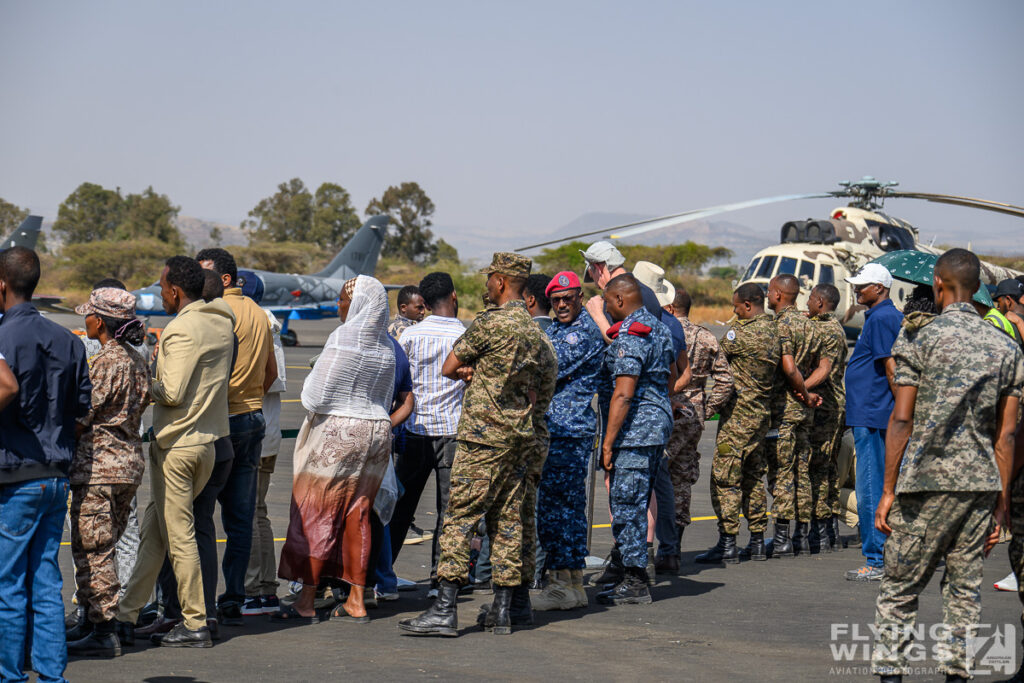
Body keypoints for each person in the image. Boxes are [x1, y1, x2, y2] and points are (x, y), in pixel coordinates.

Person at [871, 249, 1022, 681]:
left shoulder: (919, 339)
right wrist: (1002, 502)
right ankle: (956, 675)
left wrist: (887, 491)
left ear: (938, 283)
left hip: (923, 486)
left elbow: (901, 417)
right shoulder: (1006, 345)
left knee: (899, 589)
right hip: (978, 488)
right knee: (964, 592)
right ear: (979, 289)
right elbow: (1006, 434)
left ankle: (890, 676)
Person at [399, 253, 555, 636]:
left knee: (458, 518)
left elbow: (450, 367)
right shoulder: (537, 333)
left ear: (501, 282)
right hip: (520, 439)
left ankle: (445, 608)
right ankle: (506, 608)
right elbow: (547, 384)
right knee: (507, 521)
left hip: (483, 438)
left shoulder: (490, 324)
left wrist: (476, 373)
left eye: (489, 280)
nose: (486, 286)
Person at [116, 256, 235, 648]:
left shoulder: (182, 329)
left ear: (175, 291)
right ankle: (127, 614)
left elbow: (171, 391)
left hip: (179, 446)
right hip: (208, 443)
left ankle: (195, 621)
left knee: (179, 537)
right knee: (155, 533)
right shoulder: (221, 321)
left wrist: (138, 375)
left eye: (162, 287)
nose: (161, 293)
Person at [275, 276, 395, 624]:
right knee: (359, 514)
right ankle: (357, 599)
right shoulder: (385, 345)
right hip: (376, 431)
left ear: (356, 305)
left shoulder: (344, 339)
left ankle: (307, 600)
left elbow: (313, 396)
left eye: (344, 300)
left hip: (340, 432)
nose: (339, 307)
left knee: (316, 512)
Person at [0, 247, 90, 681]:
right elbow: (82, 410)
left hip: (16, 475)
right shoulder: (68, 340)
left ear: (2, 285)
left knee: (9, 586)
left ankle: (11, 675)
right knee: (47, 584)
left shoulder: (3, 338)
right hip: (56, 477)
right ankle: (53, 676)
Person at [65, 288, 151, 657]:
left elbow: (82, 417)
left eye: (88, 315)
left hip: (99, 466)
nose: (84, 321)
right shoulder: (136, 359)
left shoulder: (105, 362)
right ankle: (92, 619)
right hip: (127, 465)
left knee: (93, 548)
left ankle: (102, 630)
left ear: (99, 321)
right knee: (106, 544)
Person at [196, 248, 276, 625]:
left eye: (204, 275)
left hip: (221, 419)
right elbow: (271, 372)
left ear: (224, 279)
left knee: (200, 513)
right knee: (241, 516)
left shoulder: (218, 312)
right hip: (252, 417)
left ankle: (198, 600)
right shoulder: (260, 315)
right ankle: (233, 597)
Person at [594, 274, 674, 605]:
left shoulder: (631, 334)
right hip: (656, 425)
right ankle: (627, 568)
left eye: (609, 302)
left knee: (627, 504)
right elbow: (669, 376)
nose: (608, 309)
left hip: (636, 430)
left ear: (621, 300)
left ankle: (635, 580)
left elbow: (623, 393)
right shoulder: (659, 328)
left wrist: (608, 442)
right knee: (639, 499)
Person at [532, 271, 606, 610]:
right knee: (567, 510)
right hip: (560, 430)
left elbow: (545, 368)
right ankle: (572, 582)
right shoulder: (561, 329)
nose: (562, 305)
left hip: (566, 431)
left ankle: (562, 583)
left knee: (557, 510)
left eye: (569, 298)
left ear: (579, 298)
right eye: (557, 300)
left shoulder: (580, 334)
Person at [390, 272, 467, 596]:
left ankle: (382, 575)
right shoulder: (465, 335)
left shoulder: (410, 336)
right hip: (452, 431)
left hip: (414, 430)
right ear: (452, 297)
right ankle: (442, 580)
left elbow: (398, 385)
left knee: (399, 507)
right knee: (450, 512)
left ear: (422, 302)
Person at [696, 283, 776, 563]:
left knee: (725, 478)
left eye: (736, 306)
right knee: (754, 477)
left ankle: (727, 541)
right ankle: (756, 541)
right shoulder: (776, 331)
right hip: (762, 416)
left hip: (738, 417)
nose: (733, 311)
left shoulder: (738, 334)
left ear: (747, 305)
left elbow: (717, 362)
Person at [663, 286, 732, 567]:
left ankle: (645, 548)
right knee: (682, 477)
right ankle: (673, 550)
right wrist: (708, 407)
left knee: (654, 477)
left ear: (669, 308)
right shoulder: (705, 336)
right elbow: (725, 380)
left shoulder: (662, 330)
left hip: (666, 407)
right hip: (693, 412)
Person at [843, 263, 903, 581]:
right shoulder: (882, 316)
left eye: (863, 285)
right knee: (877, 485)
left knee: (870, 487)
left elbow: (892, 369)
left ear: (879, 288)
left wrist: (903, 415)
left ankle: (876, 558)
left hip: (873, 414)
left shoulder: (881, 318)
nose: (857, 289)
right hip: (873, 412)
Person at [762, 274, 823, 557]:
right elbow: (824, 366)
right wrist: (808, 392)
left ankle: (783, 538)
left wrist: (800, 389)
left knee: (782, 473)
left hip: (783, 409)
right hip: (804, 411)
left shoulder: (780, 325)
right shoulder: (810, 326)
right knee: (802, 471)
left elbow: (788, 368)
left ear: (778, 294)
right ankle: (801, 534)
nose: (767, 294)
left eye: (770, 290)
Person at [242, 308, 288, 616]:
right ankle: (265, 589)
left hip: (256, 434)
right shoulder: (269, 325)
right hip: (266, 433)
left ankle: (255, 589)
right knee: (257, 512)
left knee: (249, 513)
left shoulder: (260, 325)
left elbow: (269, 378)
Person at [804, 283, 849, 552]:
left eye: (810, 299)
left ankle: (820, 530)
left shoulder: (827, 330)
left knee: (819, 468)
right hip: (830, 405)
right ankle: (827, 529)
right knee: (826, 469)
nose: (807, 303)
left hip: (826, 406)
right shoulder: (830, 326)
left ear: (820, 302)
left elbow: (825, 370)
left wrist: (801, 387)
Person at [993, 278, 1024, 350]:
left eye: (999, 302)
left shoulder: (1003, 325)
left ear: (1008, 301)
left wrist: (1019, 322)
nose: (998, 308)